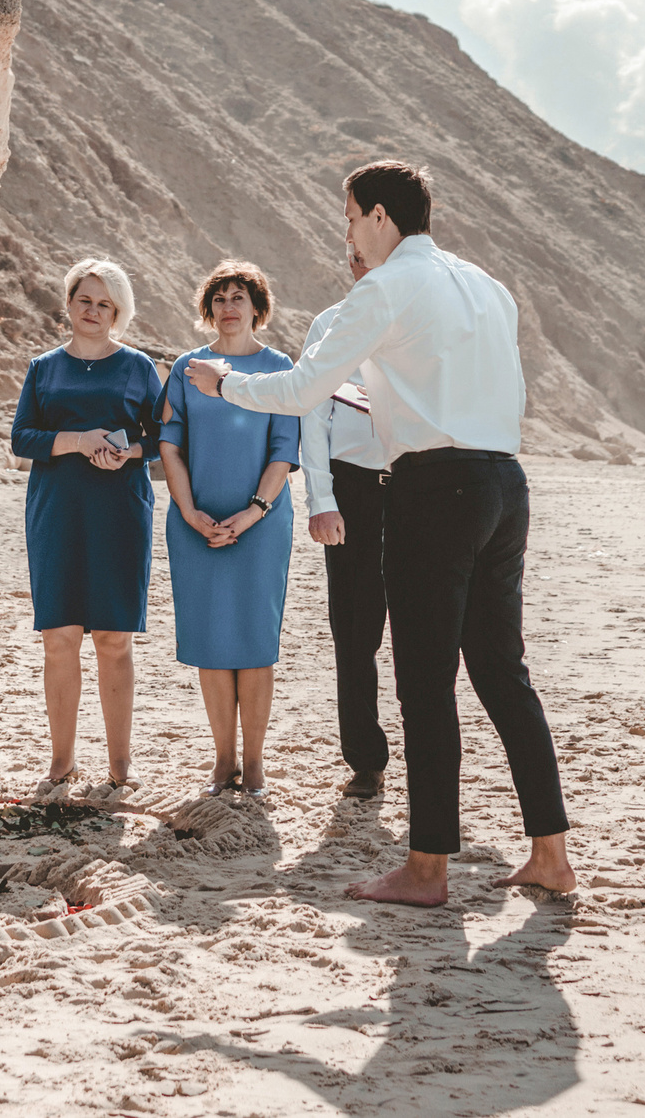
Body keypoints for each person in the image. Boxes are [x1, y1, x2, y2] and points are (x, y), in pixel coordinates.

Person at [187, 161, 574, 905]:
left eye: (350, 217)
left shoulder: (387, 285)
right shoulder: (487, 286)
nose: (348, 234)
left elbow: (303, 388)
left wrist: (224, 382)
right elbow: (498, 388)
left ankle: (426, 870)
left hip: (435, 491)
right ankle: (550, 853)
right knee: (503, 673)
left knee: (424, 682)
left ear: (379, 216)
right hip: (504, 482)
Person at [10, 259, 163, 790]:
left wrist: (126, 452)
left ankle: (121, 763)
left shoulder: (138, 367)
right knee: (59, 637)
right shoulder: (43, 368)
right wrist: (77, 440)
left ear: (118, 312)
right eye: (85, 301)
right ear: (69, 304)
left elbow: (162, 437)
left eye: (104, 304)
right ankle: (62, 760)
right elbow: (21, 438)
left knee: (115, 639)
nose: (93, 311)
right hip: (57, 510)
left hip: (120, 509)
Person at [159, 262, 301, 797]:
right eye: (219, 298)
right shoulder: (186, 367)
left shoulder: (278, 367)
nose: (228, 307)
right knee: (212, 641)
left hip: (261, 526)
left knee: (255, 643)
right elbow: (169, 444)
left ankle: (255, 762)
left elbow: (284, 451)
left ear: (257, 308)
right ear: (208, 309)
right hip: (195, 525)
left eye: (239, 296)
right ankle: (223, 761)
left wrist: (253, 512)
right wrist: (189, 511)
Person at [297, 244, 392, 799]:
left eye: (370, 253)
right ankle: (366, 760)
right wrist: (322, 500)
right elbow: (313, 415)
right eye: (353, 255)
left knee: (426, 629)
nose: (361, 262)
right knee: (354, 632)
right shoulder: (329, 325)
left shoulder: (420, 321)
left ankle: (431, 755)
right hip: (351, 489)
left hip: (416, 487)